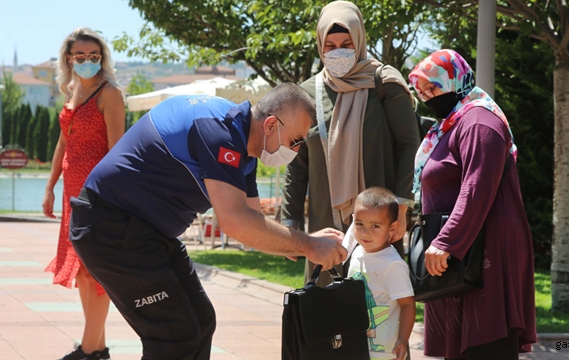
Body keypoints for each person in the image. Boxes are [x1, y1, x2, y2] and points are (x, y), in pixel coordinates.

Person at [68, 83, 347, 360]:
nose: (296, 152)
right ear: (272, 125)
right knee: (175, 335)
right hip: (110, 226)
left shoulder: (244, 148)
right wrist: (310, 244)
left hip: (143, 231)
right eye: (296, 141)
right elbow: (236, 222)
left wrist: (310, 244)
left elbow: (254, 230)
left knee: (201, 322)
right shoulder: (219, 130)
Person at [281, 0, 421, 286]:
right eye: (330, 46)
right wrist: (290, 222)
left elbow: (410, 146)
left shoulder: (385, 84)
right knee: (325, 308)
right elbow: (297, 163)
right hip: (325, 221)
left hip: (381, 223)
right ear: (320, 45)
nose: (338, 52)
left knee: (380, 306)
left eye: (346, 43)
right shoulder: (307, 93)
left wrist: (403, 211)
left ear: (359, 41)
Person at [408, 49, 537, 359]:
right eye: (421, 91)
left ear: (455, 78)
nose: (427, 97)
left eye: (433, 87)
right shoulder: (453, 123)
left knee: (485, 344)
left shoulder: (480, 121)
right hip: (467, 250)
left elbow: (477, 187)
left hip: (485, 249)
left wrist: (448, 241)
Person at [42, 27, 125, 360]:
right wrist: (50, 186)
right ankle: (99, 348)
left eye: (94, 56)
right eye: (81, 56)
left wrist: (109, 196)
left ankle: (88, 350)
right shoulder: (72, 90)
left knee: (96, 271)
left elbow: (118, 150)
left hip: (98, 195)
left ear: (101, 58)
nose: (89, 61)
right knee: (81, 271)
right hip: (71, 195)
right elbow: (64, 141)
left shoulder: (110, 94)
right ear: (69, 59)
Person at [341, 187, 415, 360]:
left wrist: (403, 339)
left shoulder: (393, 264)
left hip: (383, 352)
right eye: (359, 224)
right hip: (355, 346)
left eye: (375, 226)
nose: (365, 232)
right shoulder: (358, 252)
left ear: (393, 227)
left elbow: (407, 305)